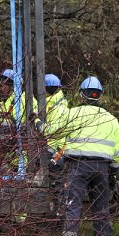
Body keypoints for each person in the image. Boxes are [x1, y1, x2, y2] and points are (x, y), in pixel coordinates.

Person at [46, 76, 119, 236]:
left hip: (78, 167)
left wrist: (38, 123)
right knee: (101, 208)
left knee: (73, 206)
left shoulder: (73, 114)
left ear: (81, 94)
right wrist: (114, 172)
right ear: (100, 96)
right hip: (102, 169)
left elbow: (53, 132)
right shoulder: (111, 119)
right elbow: (117, 151)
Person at [37, 73, 71, 215]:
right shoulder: (55, 104)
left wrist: (37, 123)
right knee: (55, 183)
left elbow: (51, 132)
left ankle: (59, 214)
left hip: (56, 152)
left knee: (56, 184)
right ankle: (58, 213)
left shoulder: (58, 109)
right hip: (56, 150)